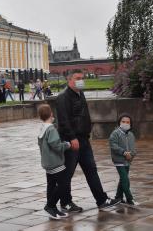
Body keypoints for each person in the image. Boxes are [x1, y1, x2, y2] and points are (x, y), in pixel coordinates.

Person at [55, 69, 120, 212]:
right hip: (71, 141)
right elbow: (64, 121)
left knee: (91, 170)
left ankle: (101, 200)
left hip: (84, 139)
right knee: (67, 174)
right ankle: (65, 203)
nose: (81, 80)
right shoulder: (63, 97)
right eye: (78, 78)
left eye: (82, 78)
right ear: (69, 80)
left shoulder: (81, 94)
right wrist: (72, 137)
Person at [37, 104, 75, 220]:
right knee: (63, 184)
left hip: (47, 163)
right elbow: (57, 146)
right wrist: (67, 145)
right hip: (56, 163)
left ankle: (52, 208)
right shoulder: (51, 129)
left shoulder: (42, 128)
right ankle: (50, 206)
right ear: (51, 114)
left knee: (51, 185)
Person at [109, 113, 138, 206]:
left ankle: (118, 197)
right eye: (123, 121)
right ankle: (130, 199)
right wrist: (124, 152)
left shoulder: (131, 134)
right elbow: (113, 146)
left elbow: (133, 148)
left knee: (122, 180)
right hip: (119, 160)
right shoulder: (115, 133)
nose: (125, 123)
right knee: (125, 180)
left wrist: (131, 155)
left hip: (128, 161)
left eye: (127, 122)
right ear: (119, 122)